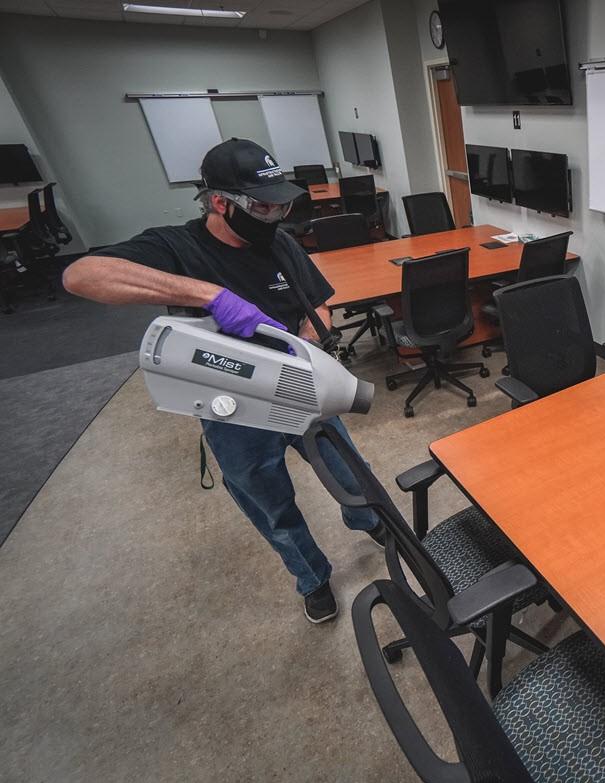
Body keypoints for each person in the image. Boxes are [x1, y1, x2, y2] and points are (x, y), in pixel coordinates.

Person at [63, 138, 382, 624]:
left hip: (300, 387)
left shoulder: (281, 243)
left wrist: (308, 346)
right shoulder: (177, 246)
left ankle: (373, 522)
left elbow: (319, 303)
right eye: (262, 205)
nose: (274, 215)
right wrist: (209, 294)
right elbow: (82, 275)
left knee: (348, 468)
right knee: (268, 500)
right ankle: (312, 578)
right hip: (230, 405)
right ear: (219, 202)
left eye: (282, 204)